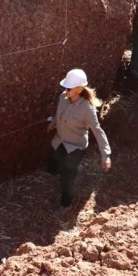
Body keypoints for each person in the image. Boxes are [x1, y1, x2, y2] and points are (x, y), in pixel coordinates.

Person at [47, 69, 112, 217]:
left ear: (79, 89)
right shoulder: (63, 98)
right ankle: (71, 170)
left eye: (69, 88)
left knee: (67, 177)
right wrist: (52, 124)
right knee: (52, 164)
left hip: (75, 147)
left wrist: (105, 155)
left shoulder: (87, 109)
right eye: (65, 87)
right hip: (60, 141)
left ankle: (66, 203)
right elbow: (59, 114)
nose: (66, 90)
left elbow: (97, 130)